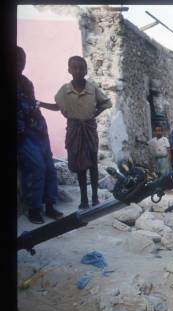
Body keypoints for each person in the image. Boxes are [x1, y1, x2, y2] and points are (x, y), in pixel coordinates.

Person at [42, 56, 112, 209]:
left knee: (93, 163)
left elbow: (107, 103)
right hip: (74, 130)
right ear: (69, 70)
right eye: (75, 67)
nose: (78, 71)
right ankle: (84, 199)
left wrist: (93, 114)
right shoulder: (65, 90)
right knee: (80, 165)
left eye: (81, 68)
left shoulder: (92, 88)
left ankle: (94, 197)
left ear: (86, 70)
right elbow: (57, 106)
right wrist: (40, 104)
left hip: (89, 129)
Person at [17, 46, 64, 224]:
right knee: (37, 168)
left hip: (39, 131)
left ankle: (50, 205)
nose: (19, 63)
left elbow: (32, 104)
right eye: (16, 60)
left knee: (50, 169)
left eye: (22, 59)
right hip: (24, 135)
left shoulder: (26, 82)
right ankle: (34, 209)